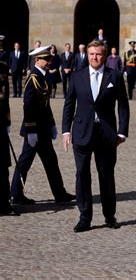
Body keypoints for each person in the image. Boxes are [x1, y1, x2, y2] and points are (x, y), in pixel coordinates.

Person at [62, 40, 130, 233]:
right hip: (82, 132)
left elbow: (123, 106)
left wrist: (122, 131)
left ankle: (109, 215)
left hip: (106, 133)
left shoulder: (114, 77)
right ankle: (85, 217)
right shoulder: (77, 77)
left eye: (98, 54)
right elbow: (69, 105)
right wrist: (66, 131)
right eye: (91, 54)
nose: (94, 57)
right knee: (82, 174)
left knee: (106, 175)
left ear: (105, 55)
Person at [10, 45, 75, 205]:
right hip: (34, 131)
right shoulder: (33, 78)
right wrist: (31, 130)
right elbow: (29, 106)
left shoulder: (43, 76)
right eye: (46, 59)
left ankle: (59, 193)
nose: (49, 61)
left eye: (49, 58)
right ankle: (16, 194)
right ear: (37, 60)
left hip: (43, 129)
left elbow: (45, 105)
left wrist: (52, 125)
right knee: (24, 162)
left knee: (51, 161)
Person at [0, 35, 15, 215]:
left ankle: (4, 203)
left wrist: (8, 121)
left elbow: (6, 98)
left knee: (3, 167)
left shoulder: (3, 68)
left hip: (0, 124)